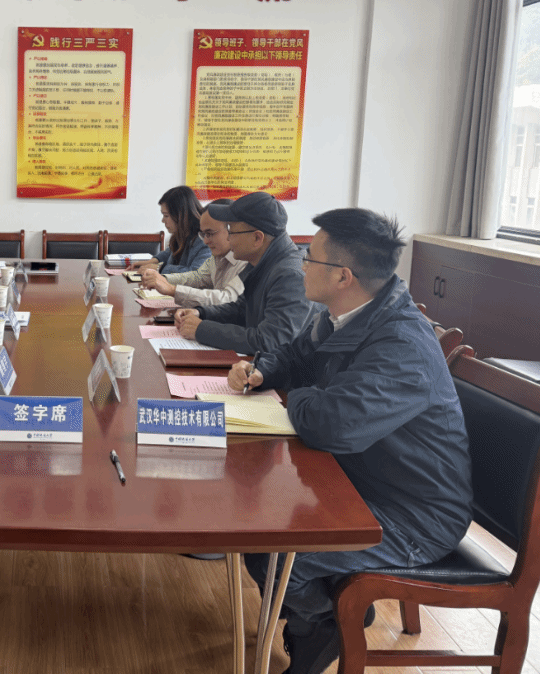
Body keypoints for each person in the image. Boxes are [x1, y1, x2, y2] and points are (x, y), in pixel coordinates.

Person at [227, 208, 472, 674]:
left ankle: (327, 625)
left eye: (309, 257)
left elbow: (332, 425)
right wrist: (262, 371)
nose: (301, 264)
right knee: (258, 531)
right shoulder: (347, 315)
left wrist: (298, 393)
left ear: (342, 276)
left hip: (413, 516)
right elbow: (294, 356)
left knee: (280, 555)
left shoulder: (402, 344)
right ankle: (330, 612)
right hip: (359, 482)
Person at [175, 191, 316, 353]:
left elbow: (269, 342)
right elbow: (241, 310)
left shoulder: (291, 276)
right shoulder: (262, 261)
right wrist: (201, 313)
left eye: (232, 232)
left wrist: (201, 330)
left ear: (257, 238)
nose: (228, 239)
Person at [139, 198, 247, 307]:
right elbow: (198, 277)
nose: (205, 241)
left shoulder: (246, 260)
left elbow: (228, 299)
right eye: (204, 234)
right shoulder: (217, 256)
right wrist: (163, 279)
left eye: (210, 233)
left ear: (231, 229)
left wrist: (172, 290)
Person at [132, 186, 209, 274]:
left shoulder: (205, 241)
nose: (163, 220)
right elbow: (171, 252)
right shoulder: (182, 234)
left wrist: (160, 268)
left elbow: (195, 274)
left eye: (166, 215)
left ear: (181, 215)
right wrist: (151, 261)